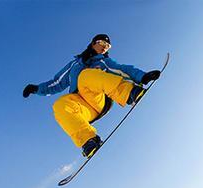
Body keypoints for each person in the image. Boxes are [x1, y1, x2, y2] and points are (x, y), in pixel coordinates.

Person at [23, 34, 161, 158]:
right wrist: (36, 89)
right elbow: (57, 83)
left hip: (99, 100)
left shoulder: (103, 62)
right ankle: (88, 141)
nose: (105, 48)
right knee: (60, 105)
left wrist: (142, 76)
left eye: (108, 46)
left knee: (86, 75)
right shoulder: (75, 64)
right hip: (83, 106)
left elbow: (121, 69)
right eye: (102, 44)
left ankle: (130, 93)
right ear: (94, 43)